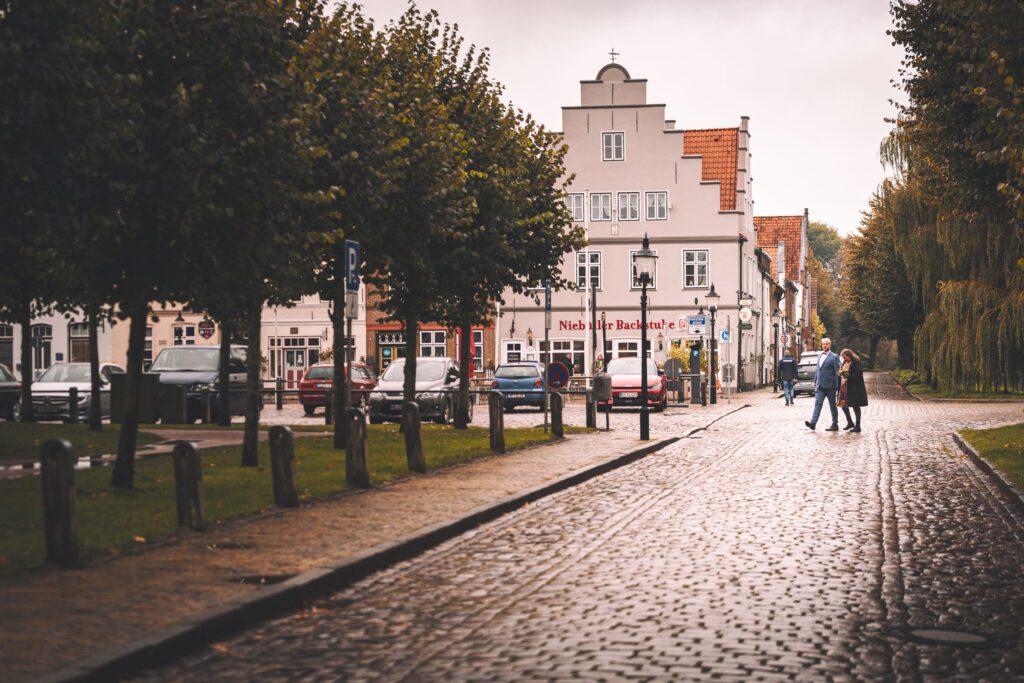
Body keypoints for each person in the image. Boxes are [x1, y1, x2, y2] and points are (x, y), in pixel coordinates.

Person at [805, 337, 841, 431]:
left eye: (826, 344)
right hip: (820, 386)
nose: (824, 345)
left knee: (832, 406)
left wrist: (837, 386)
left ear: (830, 345)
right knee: (818, 404)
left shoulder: (834, 357)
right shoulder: (819, 355)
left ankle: (835, 424)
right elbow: (818, 370)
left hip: (830, 386)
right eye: (823, 344)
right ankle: (813, 423)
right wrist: (815, 381)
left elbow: (838, 372)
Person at [839, 348, 868, 432]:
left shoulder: (856, 362)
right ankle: (850, 422)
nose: (844, 359)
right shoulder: (844, 362)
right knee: (843, 404)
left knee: (856, 406)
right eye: (843, 357)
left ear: (849, 356)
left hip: (855, 388)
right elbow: (843, 372)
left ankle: (858, 426)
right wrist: (841, 373)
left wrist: (847, 375)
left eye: (845, 357)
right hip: (844, 387)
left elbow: (858, 375)